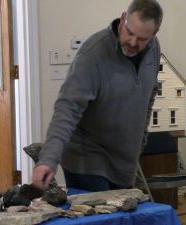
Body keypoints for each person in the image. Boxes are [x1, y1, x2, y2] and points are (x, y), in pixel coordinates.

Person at [32, 0, 163, 192]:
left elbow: (149, 94)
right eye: (130, 33)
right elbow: (67, 109)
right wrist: (48, 159)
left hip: (124, 162)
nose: (133, 43)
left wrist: (140, 139)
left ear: (154, 34)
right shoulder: (92, 54)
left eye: (142, 38)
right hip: (88, 160)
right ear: (123, 19)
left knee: (122, 221)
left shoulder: (153, 49)